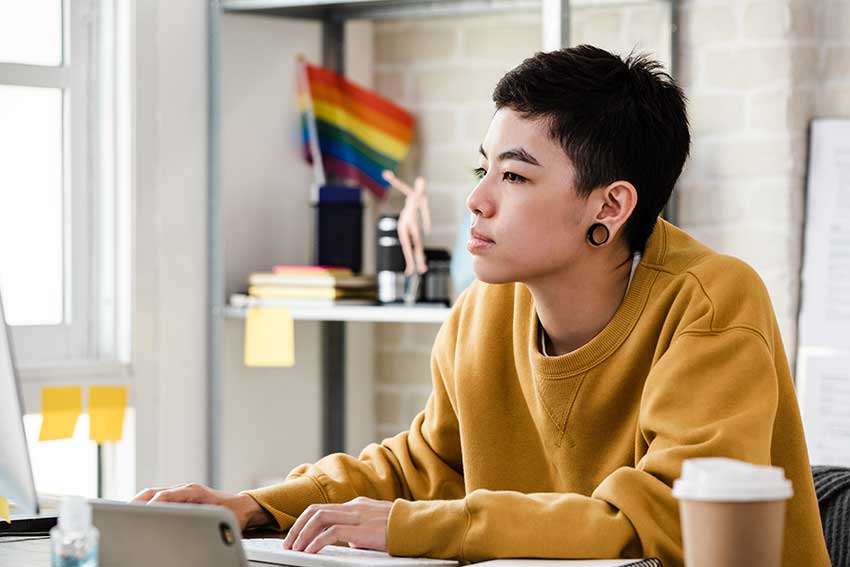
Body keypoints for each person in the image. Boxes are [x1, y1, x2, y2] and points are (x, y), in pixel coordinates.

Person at [134, 46, 830, 566]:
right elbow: (420, 465)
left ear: (611, 205)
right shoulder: (483, 310)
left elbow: (652, 524)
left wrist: (413, 525)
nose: (477, 197)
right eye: (483, 167)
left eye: (516, 175)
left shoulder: (711, 304)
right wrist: (253, 506)